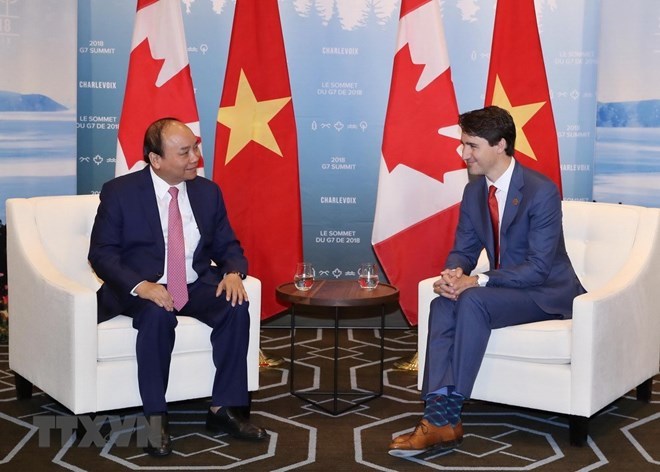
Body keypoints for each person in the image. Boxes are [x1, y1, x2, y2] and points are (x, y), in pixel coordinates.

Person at [388, 106, 586, 457]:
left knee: (472, 299)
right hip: (504, 291)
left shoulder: (541, 191)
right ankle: (439, 417)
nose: (464, 154)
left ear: (501, 146)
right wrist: (452, 273)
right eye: (463, 144)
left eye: (472, 146)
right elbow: (463, 248)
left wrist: (476, 280)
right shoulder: (475, 191)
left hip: (545, 293)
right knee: (443, 301)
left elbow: (539, 268)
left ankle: (446, 415)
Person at [88, 118, 267, 457]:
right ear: (156, 159)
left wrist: (232, 273)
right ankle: (156, 418)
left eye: (195, 148)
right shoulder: (120, 192)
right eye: (184, 152)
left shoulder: (207, 192)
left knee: (235, 307)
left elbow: (228, 245)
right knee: (157, 317)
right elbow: (101, 253)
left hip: (193, 283)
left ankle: (224, 410)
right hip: (143, 290)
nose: (195, 157)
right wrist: (140, 286)